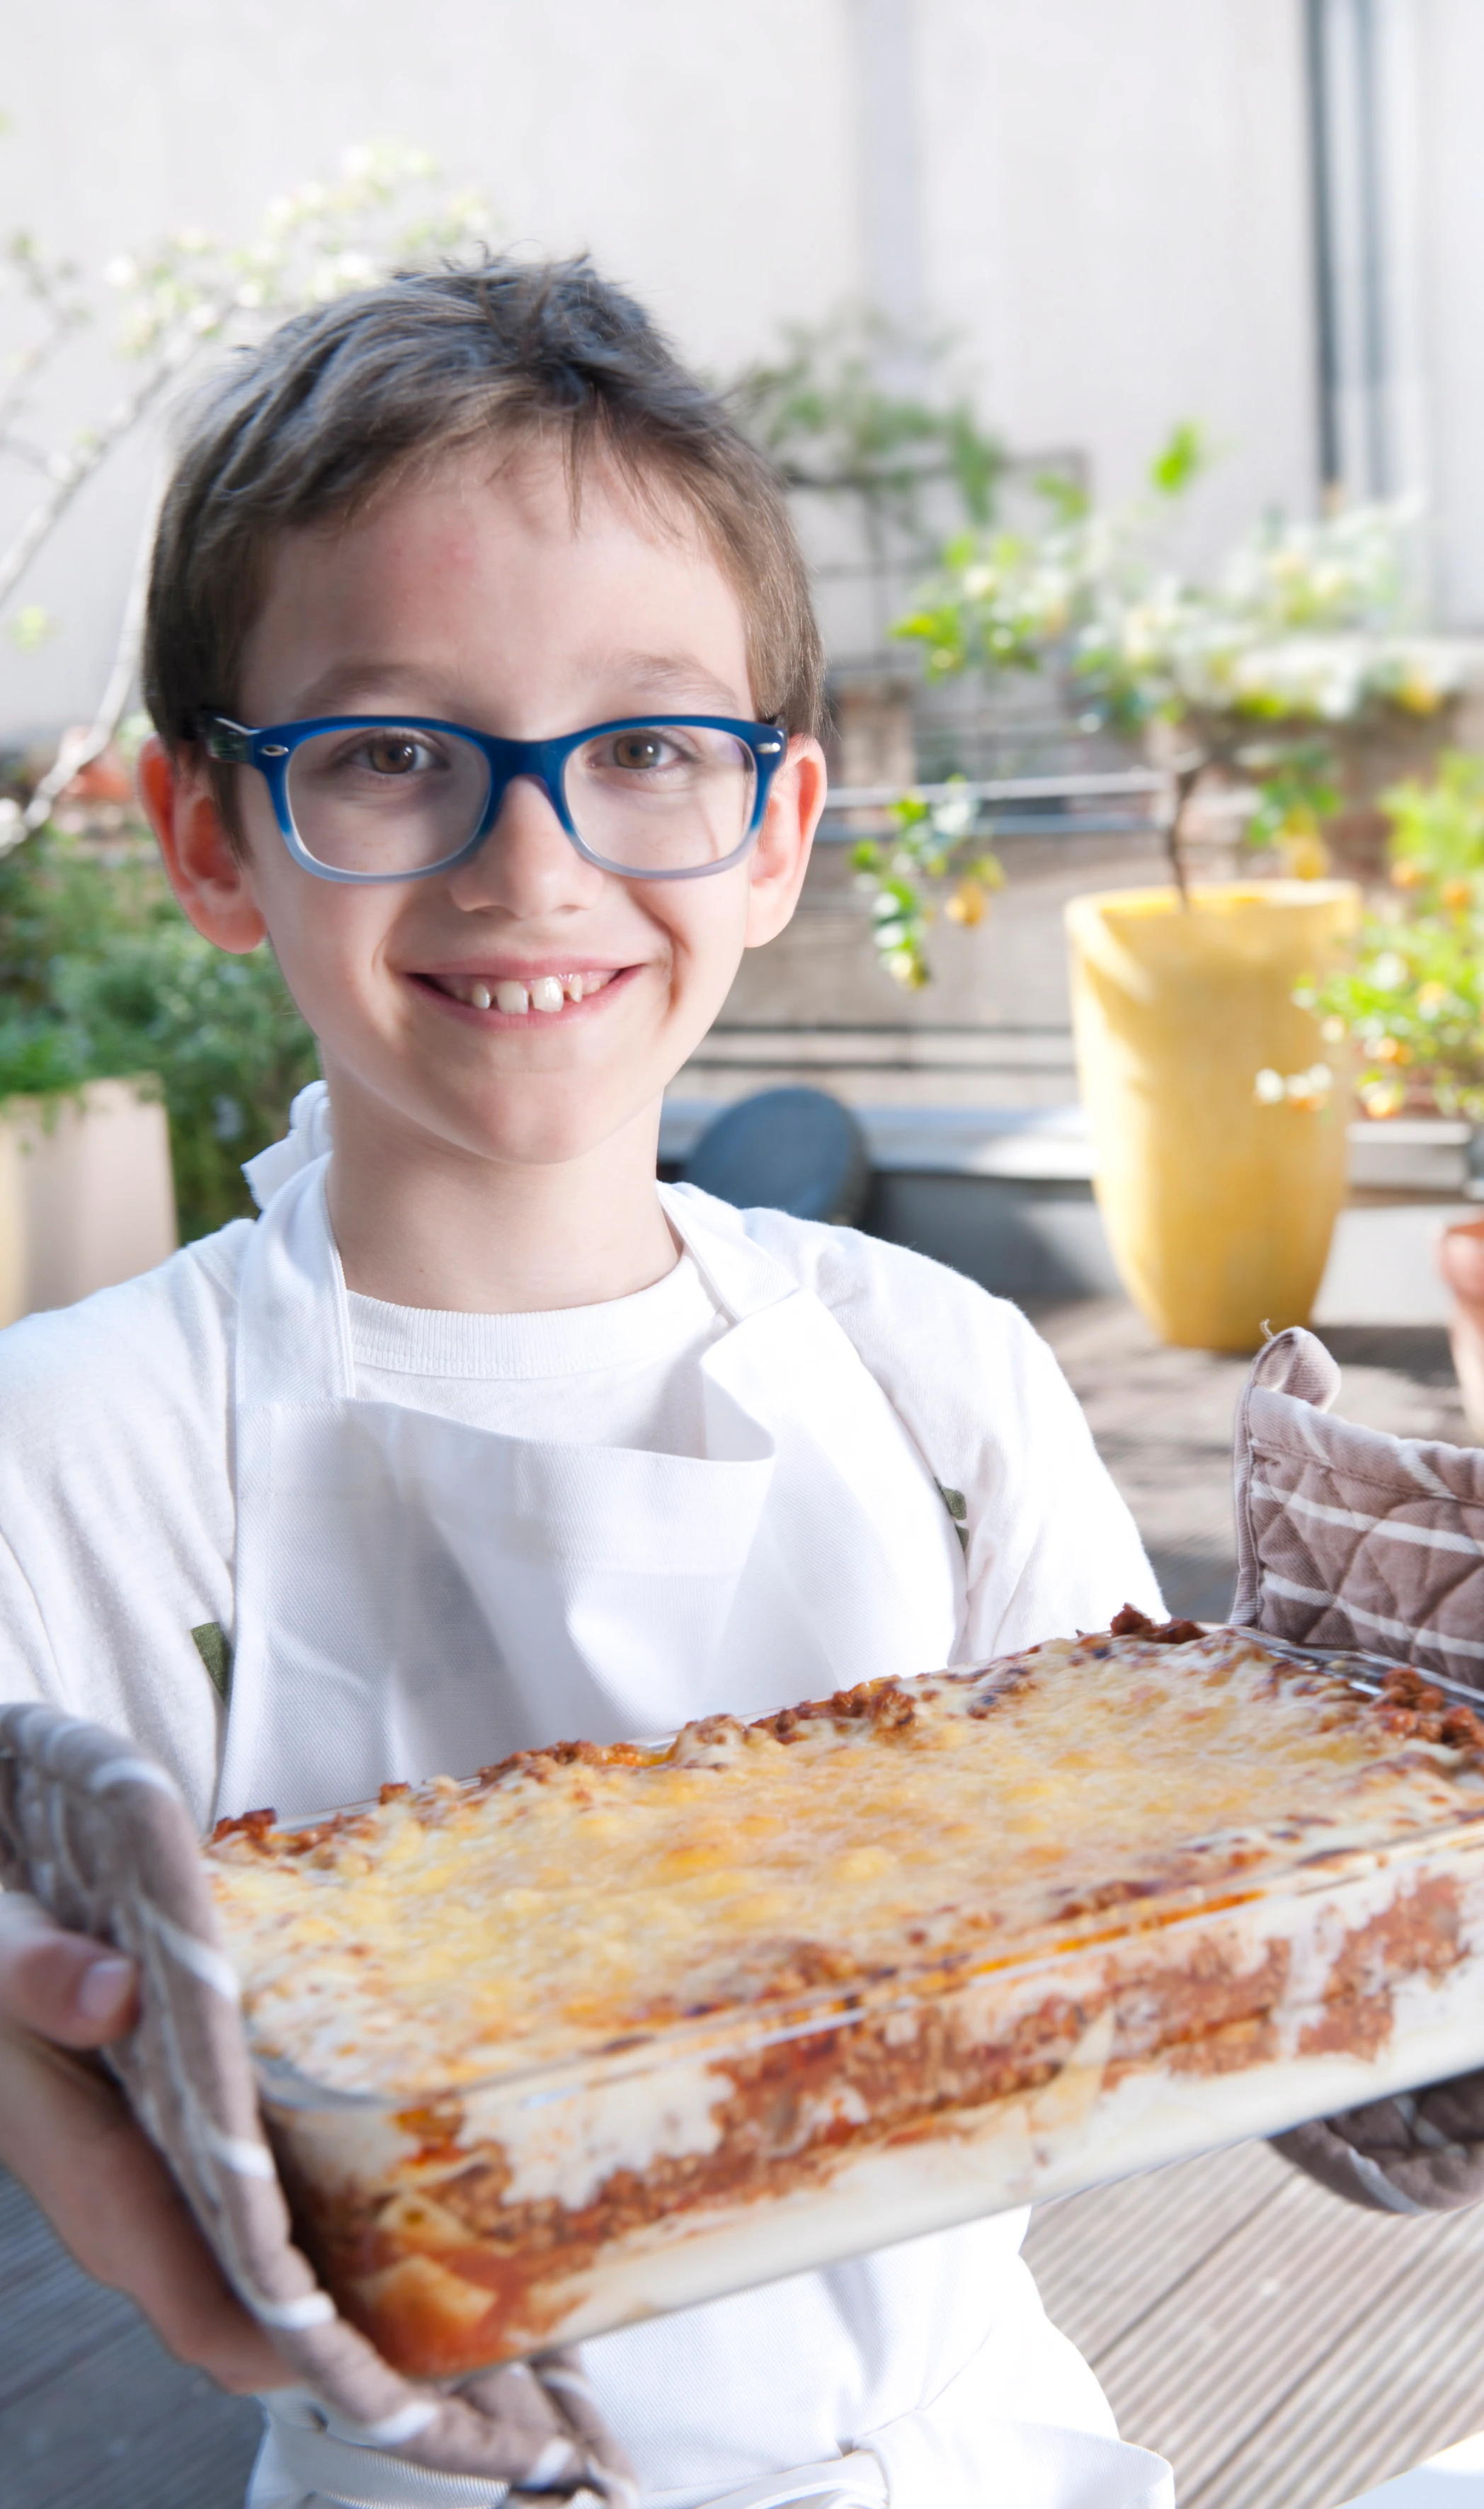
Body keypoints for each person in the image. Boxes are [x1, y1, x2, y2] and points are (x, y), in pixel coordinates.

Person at [0, 258, 1171, 2509]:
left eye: (642, 744)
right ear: (207, 836)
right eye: (385, 751)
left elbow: (1153, 1907)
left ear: (776, 821)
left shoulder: (943, 1383)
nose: (527, 861)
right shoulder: (84, 1447)